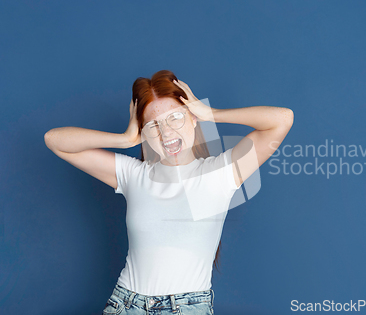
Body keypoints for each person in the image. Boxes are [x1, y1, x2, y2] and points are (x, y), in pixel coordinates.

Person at [44, 70, 294, 314]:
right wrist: (126, 139)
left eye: (175, 117)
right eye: (153, 125)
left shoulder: (221, 173)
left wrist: (211, 113)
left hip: (187, 308)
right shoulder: (133, 175)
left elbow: (281, 119)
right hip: (126, 303)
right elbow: (55, 140)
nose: (166, 133)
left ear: (192, 117)